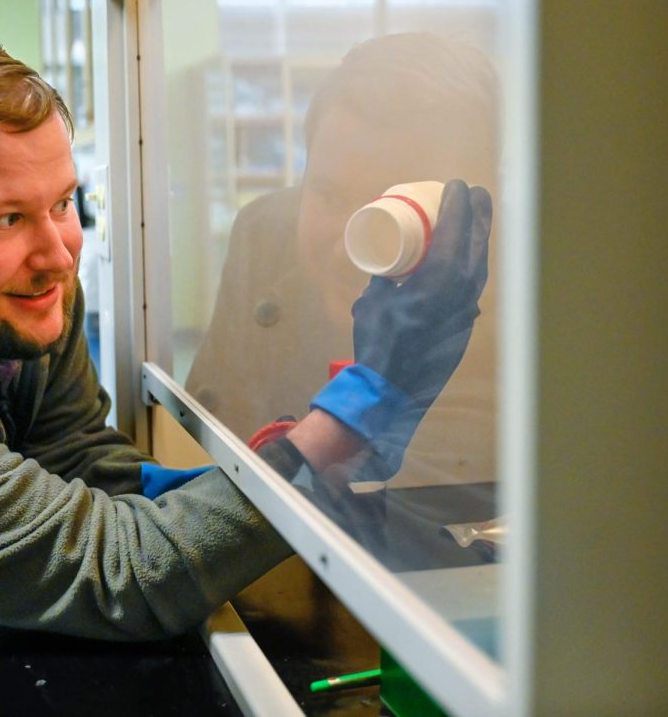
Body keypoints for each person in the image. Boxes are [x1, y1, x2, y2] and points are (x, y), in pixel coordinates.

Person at [0, 32, 490, 715]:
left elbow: (75, 455)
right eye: (3, 217)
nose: (57, 254)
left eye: (64, 201)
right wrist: (361, 410)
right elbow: (123, 575)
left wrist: (255, 486)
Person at [186, 32, 500, 491]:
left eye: (393, 215)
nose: (350, 246)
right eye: (328, 196)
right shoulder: (266, 235)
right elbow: (218, 429)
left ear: (476, 213)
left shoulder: (528, 302)